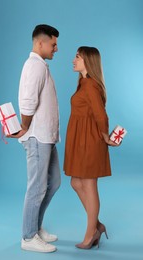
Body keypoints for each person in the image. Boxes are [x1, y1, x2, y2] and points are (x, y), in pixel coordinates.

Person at [8, 24, 61, 253]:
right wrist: (25, 126)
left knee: (54, 182)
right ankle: (28, 237)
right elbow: (28, 100)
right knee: (37, 187)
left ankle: (35, 227)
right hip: (37, 136)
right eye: (53, 43)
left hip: (46, 136)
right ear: (40, 43)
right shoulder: (35, 66)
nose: (56, 48)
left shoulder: (40, 65)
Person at [64, 46, 119, 249]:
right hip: (81, 141)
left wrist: (105, 136)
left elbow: (101, 115)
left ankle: (90, 234)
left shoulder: (90, 85)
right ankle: (96, 225)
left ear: (88, 61)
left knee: (88, 185)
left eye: (77, 57)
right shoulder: (83, 83)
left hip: (90, 141)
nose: (73, 60)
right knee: (76, 183)